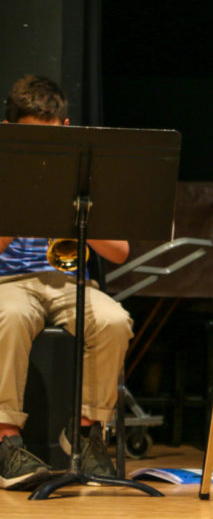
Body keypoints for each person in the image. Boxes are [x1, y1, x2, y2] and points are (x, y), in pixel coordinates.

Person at [0, 75, 134, 489]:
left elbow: (119, 251)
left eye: (52, 136)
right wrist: (25, 202)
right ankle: (6, 441)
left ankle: (85, 432)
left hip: (69, 280)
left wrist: (74, 214)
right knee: (10, 317)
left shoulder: (86, 174)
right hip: (10, 281)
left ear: (67, 127)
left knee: (114, 321)